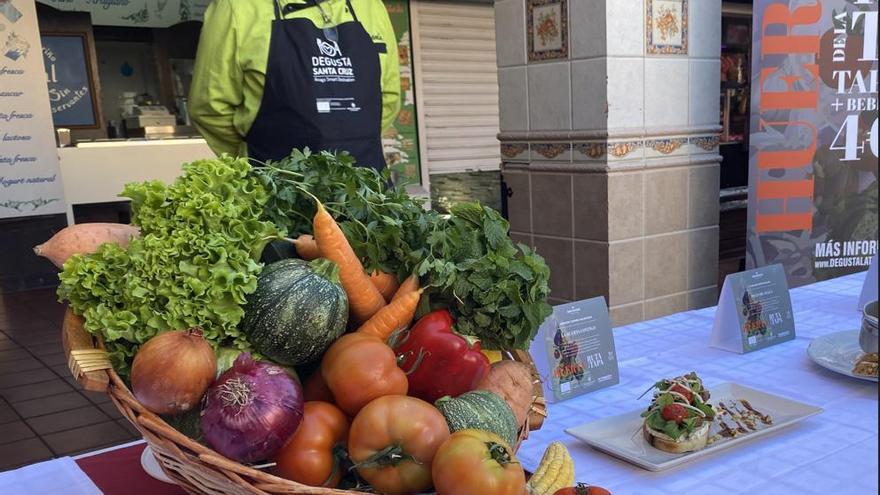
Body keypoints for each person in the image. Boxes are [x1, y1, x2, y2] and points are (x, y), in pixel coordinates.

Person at [189, 0, 400, 170]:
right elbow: (209, 108)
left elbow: (389, 98)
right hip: (275, 196)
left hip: (366, 196)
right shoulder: (235, 7)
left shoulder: (372, 6)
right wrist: (249, 155)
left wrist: (351, 140)